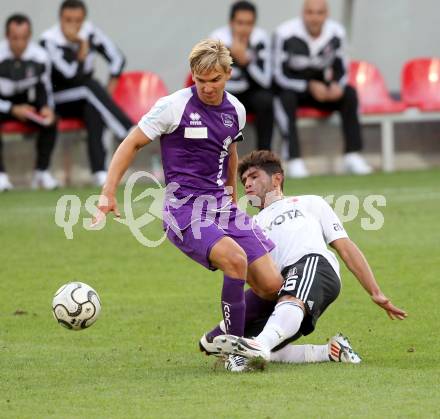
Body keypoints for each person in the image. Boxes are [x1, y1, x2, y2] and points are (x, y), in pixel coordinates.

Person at [93, 39, 283, 344]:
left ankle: (218, 338)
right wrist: (109, 191)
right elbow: (131, 143)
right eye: (200, 80)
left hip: (222, 207)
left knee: (272, 285)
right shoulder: (172, 106)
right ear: (192, 75)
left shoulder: (236, 109)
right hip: (184, 210)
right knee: (235, 260)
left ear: (228, 75)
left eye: (215, 80)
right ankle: (234, 351)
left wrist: (232, 192)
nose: (207, 87)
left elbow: (230, 151)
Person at [210, 150, 407, 370]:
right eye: (244, 180)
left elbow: (345, 247)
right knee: (255, 340)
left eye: (254, 176)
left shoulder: (310, 203)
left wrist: (375, 291)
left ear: (277, 178)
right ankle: (330, 351)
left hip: (313, 265)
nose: (247, 184)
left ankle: (256, 347)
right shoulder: (250, 225)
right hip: (280, 284)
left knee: (268, 330)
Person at [273, 0, 372, 178]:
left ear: (326, 14)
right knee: (284, 98)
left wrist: (336, 85)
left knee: (349, 93)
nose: (314, 18)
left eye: (319, 13)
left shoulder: (337, 32)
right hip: (295, 87)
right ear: (303, 13)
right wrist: (308, 86)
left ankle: (352, 154)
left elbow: (342, 66)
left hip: (323, 87)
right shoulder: (284, 33)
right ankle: (294, 159)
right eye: (310, 12)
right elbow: (277, 75)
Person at [40, 0, 133, 186]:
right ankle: (128, 132)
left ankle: (100, 172)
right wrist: (82, 47)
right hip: (59, 100)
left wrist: (108, 93)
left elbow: (117, 58)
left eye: (78, 20)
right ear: (60, 20)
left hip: (86, 96)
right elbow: (69, 75)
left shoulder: (90, 32)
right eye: (68, 20)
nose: (74, 25)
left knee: (94, 108)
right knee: (89, 87)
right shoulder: (49, 41)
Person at [0, 14, 58, 191]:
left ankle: (42, 172)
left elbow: (45, 88)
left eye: (24, 38)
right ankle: (1, 176)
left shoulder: (40, 56)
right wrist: (12, 109)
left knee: (50, 121)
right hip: (3, 105)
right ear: (6, 36)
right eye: (14, 38)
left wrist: (47, 108)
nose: (19, 43)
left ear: (30, 36)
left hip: (27, 104)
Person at [210, 1, 274, 151]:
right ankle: (213, 158)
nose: (244, 28)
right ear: (231, 23)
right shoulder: (217, 39)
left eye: (249, 23)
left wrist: (245, 62)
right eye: (240, 23)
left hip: (250, 92)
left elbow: (266, 81)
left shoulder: (260, 39)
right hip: (225, 92)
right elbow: (211, 78)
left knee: (266, 99)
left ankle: (264, 157)